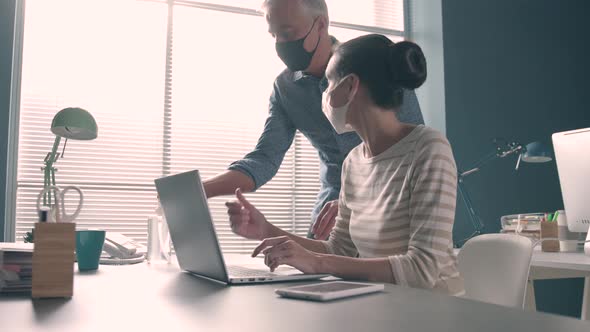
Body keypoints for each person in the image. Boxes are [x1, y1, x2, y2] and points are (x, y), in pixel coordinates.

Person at [225, 34, 464, 295]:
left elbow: (422, 270)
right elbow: (339, 250)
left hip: (435, 312)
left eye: (328, 83)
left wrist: (316, 263)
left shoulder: (428, 148)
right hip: (383, 308)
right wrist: (266, 229)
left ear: (350, 86)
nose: (324, 93)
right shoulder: (354, 161)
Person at [202, 0, 424, 240]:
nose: (281, 44)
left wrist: (354, 205)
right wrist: (200, 191)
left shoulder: (374, 62)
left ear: (321, 24)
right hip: (327, 221)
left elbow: (410, 151)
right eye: (274, 35)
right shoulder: (285, 88)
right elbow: (265, 159)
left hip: (389, 213)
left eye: (288, 33)